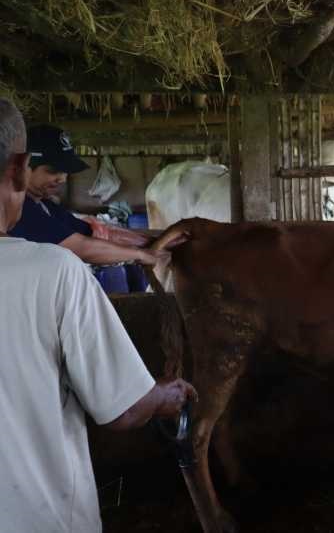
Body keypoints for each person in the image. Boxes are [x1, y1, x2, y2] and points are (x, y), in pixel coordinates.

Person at [0, 98, 197, 532]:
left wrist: (147, 242)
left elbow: (92, 230)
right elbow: (123, 410)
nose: (59, 180)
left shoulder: (47, 219)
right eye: (52, 170)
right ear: (18, 168)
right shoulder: (53, 271)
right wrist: (165, 396)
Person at [10, 124, 160, 266]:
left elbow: (92, 233)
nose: (62, 178)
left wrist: (154, 242)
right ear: (24, 165)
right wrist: (140, 254)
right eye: (52, 170)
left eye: (65, 171)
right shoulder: (19, 208)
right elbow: (82, 247)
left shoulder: (45, 206)